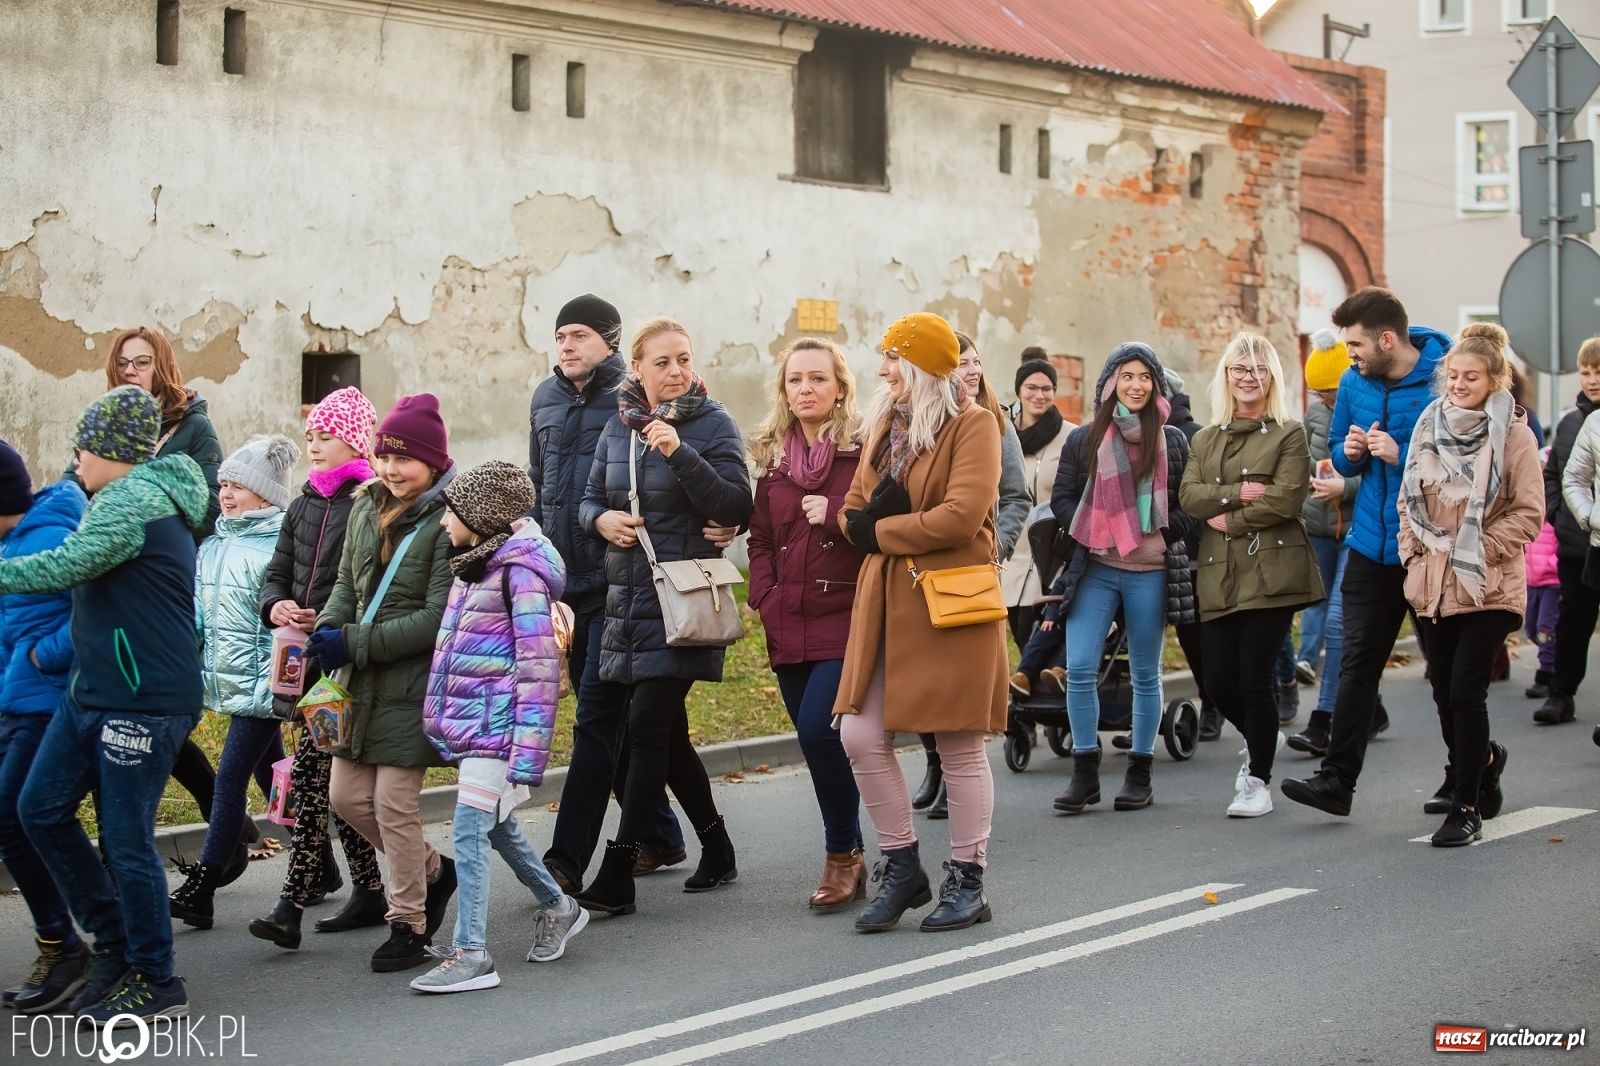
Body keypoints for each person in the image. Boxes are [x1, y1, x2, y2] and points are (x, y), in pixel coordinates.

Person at [3, 387, 211, 1025]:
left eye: (82, 448)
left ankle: (155, 976)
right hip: (93, 690)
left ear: (112, 453)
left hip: (142, 700)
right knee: (38, 809)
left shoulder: (134, 501)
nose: (74, 461)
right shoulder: (116, 498)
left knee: (125, 841)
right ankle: (113, 942)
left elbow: (69, 564)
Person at [573, 317, 753, 915]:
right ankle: (718, 847)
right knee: (667, 739)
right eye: (662, 363)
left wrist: (681, 454)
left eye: (684, 360)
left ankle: (618, 869)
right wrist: (599, 521)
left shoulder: (712, 422)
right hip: (626, 601)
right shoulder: (617, 427)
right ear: (639, 371)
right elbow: (589, 500)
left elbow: (734, 505)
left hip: (683, 599)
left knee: (647, 729)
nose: (676, 372)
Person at [834, 311, 1007, 934]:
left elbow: (961, 518)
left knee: (958, 743)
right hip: (885, 602)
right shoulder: (884, 425)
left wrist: (879, 529)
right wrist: (874, 523)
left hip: (950, 604)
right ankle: (902, 866)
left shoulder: (975, 424)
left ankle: (969, 879)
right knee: (859, 733)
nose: (882, 371)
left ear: (922, 366)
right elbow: (850, 511)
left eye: (892, 359)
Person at [412, 462, 588, 993]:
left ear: (481, 517)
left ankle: (473, 954)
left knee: (468, 829)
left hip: (502, 729)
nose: (444, 521)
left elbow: (539, 673)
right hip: (475, 724)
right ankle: (559, 906)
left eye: (452, 511)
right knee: (497, 827)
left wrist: (527, 755)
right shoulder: (474, 566)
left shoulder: (519, 576)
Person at [530, 295, 686, 893]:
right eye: (560, 336)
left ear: (610, 341)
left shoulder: (631, 399)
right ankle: (664, 836)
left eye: (579, 335)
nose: (566, 345)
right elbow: (541, 487)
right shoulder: (544, 399)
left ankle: (565, 861)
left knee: (597, 720)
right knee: (638, 726)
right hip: (564, 585)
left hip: (622, 585)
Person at [1281, 287, 1452, 817]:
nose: (1348, 356)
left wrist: (1401, 458)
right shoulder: (1355, 382)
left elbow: (1459, 476)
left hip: (1428, 552)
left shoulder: (1444, 382)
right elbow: (1338, 453)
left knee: (1446, 675)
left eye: (1355, 345)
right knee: (1356, 664)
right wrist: (1349, 453)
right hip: (1371, 548)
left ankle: (1473, 769)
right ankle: (1337, 779)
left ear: (1386, 338)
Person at [315, 394, 459, 972]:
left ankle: (409, 923)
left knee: (392, 803)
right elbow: (346, 588)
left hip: (412, 684)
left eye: (405, 460)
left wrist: (354, 642)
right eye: (384, 456)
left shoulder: (447, 521)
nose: (393, 469)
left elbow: (436, 617)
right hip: (358, 684)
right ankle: (432, 870)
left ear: (433, 463)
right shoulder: (364, 507)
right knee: (346, 797)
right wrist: (328, 630)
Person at [248, 388, 386, 949]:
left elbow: (367, 585)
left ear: (352, 439)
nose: (314, 444)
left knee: (310, 777)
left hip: (341, 667)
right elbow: (277, 573)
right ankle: (374, 888)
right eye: (309, 435)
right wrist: (275, 605)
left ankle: (290, 906)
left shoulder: (371, 501)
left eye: (325, 435)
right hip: (298, 665)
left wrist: (325, 616)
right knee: (331, 782)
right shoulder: (304, 502)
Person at [1399, 322, 1541, 844]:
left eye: (1472, 377)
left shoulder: (1515, 436)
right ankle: (1481, 762)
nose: (1459, 384)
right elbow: (1408, 497)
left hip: (1488, 584)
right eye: (1453, 375)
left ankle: (1466, 804)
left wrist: (1474, 551)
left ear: (1495, 380)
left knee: (1465, 689)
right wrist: (1412, 553)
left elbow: (1529, 513)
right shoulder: (1427, 423)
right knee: (1442, 689)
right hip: (1431, 581)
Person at [747, 338, 868, 911]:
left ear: (839, 387)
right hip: (786, 617)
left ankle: (842, 855)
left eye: (818, 379)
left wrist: (840, 519)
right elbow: (762, 539)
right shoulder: (773, 461)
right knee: (818, 743)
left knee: (821, 734)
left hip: (844, 614)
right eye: (795, 380)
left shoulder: (862, 454)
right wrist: (763, 596)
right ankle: (857, 849)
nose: (805, 390)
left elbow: (879, 531)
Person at [1180, 333, 1323, 818]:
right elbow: (1189, 497)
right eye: (1240, 369)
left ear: (1272, 379)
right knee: (1218, 682)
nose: (1249, 378)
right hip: (1219, 571)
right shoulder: (1204, 437)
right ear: (1226, 376)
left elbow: (1285, 498)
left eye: (1259, 370)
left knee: (1254, 680)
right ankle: (1263, 737)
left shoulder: (1289, 433)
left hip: (1272, 570)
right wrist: (1241, 493)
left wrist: (1230, 515)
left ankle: (1257, 780)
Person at [1050, 344, 1194, 816]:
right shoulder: (1085, 438)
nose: (1136, 385)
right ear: (1110, 382)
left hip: (1149, 570)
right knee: (1081, 667)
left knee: (1147, 674)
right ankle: (1085, 772)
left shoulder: (1171, 439)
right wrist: (1092, 526)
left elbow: (1188, 505)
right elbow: (1062, 498)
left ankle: (1139, 773)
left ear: (1155, 384)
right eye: (1127, 376)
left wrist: (1160, 529)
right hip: (1095, 567)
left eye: (1145, 377)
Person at [168, 436, 298, 930]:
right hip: (231, 681)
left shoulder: (279, 546)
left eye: (238, 485)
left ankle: (204, 885)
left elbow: (283, 624)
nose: (225, 493)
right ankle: (323, 865)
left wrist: (283, 684)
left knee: (228, 779)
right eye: (222, 484)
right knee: (275, 776)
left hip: (266, 686)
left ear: (265, 494)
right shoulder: (214, 543)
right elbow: (199, 618)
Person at [904, 333, 1031, 820]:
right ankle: (935, 765)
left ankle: (956, 778)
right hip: (921, 568)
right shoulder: (922, 421)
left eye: (977, 361)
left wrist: (995, 551)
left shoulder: (995, 423)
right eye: (961, 363)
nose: (972, 370)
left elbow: (1018, 495)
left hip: (972, 572)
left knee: (957, 679)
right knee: (922, 677)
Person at [0, 441, 89, 1014]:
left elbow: (94, 613)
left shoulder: (52, 534)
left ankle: (67, 943)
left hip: (49, 703)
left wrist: (40, 657)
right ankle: (84, 938)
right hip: (14, 702)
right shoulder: (10, 540)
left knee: (19, 816)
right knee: (26, 819)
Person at [1287, 331, 1366, 756]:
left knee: (1339, 624)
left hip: (1358, 531)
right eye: (1318, 392)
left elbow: (1376, 474)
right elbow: (1299, 462)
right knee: (1319, 609)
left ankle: (1324, 720)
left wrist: (1344, 490)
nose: (1325, 399)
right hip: (1318, 529)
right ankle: (1371, 708)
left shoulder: (1367, 408)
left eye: (1331, 391)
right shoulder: (1314, 415)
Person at [1002, 356, 1075, 679]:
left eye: (1047, 388)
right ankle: (1025, 720)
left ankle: (1042, 715)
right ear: (1019, 391)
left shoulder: (1072, 437)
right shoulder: (1003, 436)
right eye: (1032, 387)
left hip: (1052, 556)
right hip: (1012, 555)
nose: (1039, 395)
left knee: (1043, 634)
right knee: (1019, 634)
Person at [1544, 336, 1600, 724]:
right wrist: (1559, 516)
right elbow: (1555, 475)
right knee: (1572, 621)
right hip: (1576, 544)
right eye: (1585, 372)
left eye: (1599, 372)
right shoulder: (1569, 423)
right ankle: (1561, 694)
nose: (1592, 380)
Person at [1522, 519, 1560, 701]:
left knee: (1545, 628)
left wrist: (1550, 567)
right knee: (1531, 630)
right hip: (1531, 582)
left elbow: (1566, 543)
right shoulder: (1530, 518)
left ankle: (1545, 675)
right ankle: (1555, 654)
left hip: (1551, 584)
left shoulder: (1555, 519)